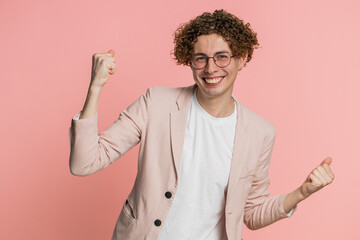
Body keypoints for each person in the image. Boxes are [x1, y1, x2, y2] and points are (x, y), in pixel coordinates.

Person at [68, 9, 335, 240]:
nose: (210, 68)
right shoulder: (156, 104)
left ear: (241, 59)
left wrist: (302, 192)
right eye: (200, 58)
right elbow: (84, 163)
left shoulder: (260, 132)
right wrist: (96, 87)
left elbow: (252, 213)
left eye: (222, 57)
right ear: (190, 61)